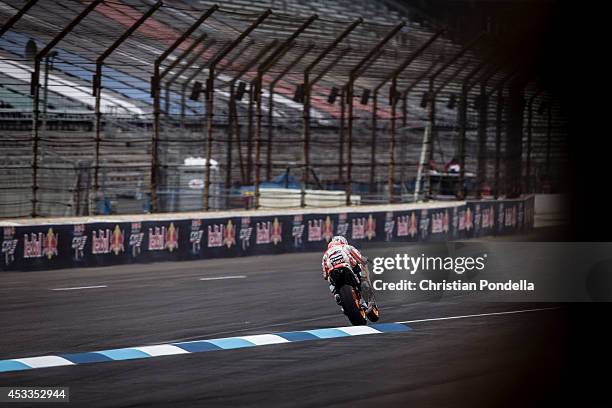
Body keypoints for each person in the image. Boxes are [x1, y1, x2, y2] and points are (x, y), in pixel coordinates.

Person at [321, 235, 375, 311]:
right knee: (361, 269)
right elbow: (359, 257)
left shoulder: (326, 254)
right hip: (348, 266)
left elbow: (325, 274)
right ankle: (364, 286)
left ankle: (337, 295)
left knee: (330, 280)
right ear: (343, 241)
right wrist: (367, 260)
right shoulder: (346, 246)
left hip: (333, 271)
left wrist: (328, 276)